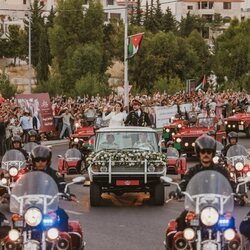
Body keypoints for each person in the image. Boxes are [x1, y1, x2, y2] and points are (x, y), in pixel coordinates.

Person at [170, 135, 233, 232]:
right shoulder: (192, 171)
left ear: (212, 153)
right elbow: (184, 182)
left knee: (231, 226)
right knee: (182, 220)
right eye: (203, 152)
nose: (206, 154)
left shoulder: (221, 170)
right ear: (198, 153)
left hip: (217, 206)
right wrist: (177, 191)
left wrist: (239, 192)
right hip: (197, 206)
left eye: (209, 152)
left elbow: (230, 183)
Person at [30, 145, 69, 232]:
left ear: (47, 161)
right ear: (33, 161)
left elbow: (62, 184)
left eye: (43, 160)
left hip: (50, 206)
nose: (40, 162)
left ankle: (62, 242)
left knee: (63, 216)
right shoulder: (28, 176)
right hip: (32, 206)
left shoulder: (54, 174)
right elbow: (21, 186)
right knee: (18, 219)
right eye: (37, 160)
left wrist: (66, 193)